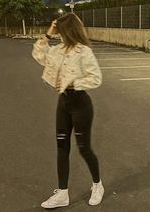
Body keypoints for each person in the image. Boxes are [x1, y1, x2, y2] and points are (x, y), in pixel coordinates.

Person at [32, 13, 104, 209]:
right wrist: (48, 33)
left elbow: (96, 77)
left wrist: (74, 82)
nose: (59, 34)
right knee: (62, 147)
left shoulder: (84, 52)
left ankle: (97, 185)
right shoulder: (57, 50)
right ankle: (62, 193)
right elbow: (38, 55)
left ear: (69, 31)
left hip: (81, 105)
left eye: (61, 31)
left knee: (84, 148)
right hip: (63, 105)